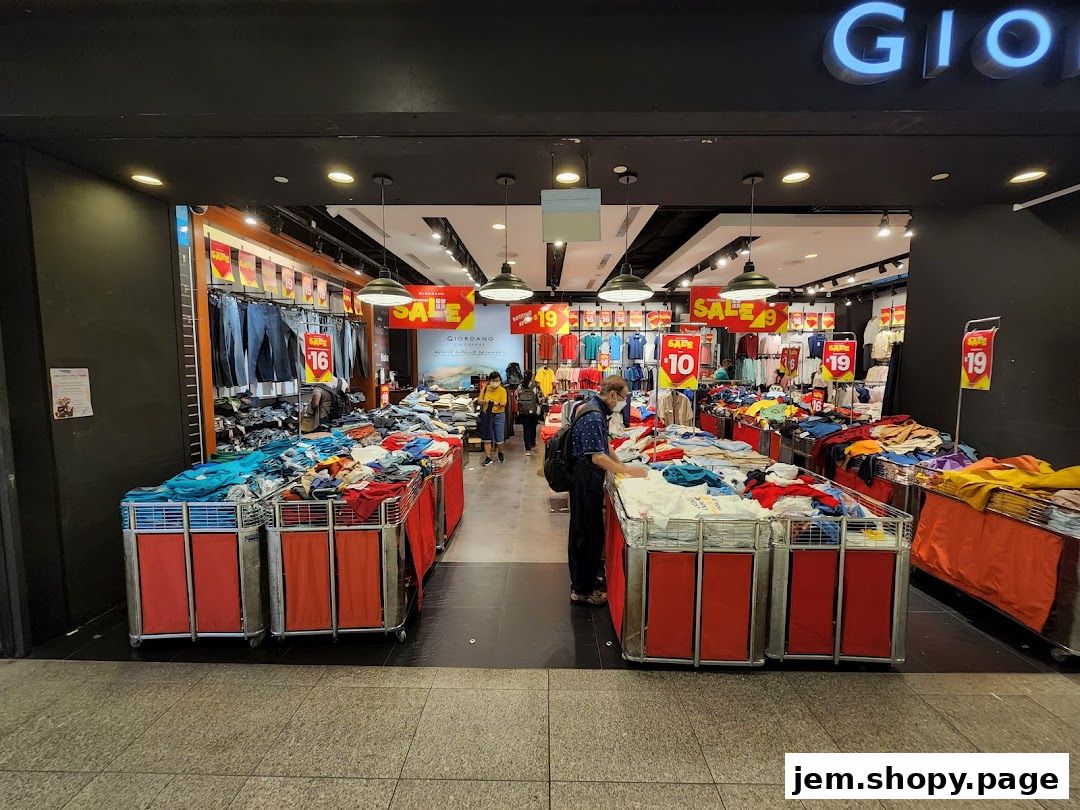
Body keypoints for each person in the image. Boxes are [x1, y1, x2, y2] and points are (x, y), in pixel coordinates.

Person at [568, 375, 647, 607]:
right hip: (585, 480)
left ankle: (588, 581)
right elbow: (598, 457)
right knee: (587, 535)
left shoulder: (594, 409)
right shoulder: (594, 416)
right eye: (623, 397)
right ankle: (583, 591)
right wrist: (628, 472)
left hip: (587, 478)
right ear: (612, 394)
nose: (623, 402)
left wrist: (621, 466)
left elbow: (605, 446)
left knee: (588, 533)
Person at [477, 371, 507, 466]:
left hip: (499, 415)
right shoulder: (486, 388)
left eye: (497, 380)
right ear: (490, 380)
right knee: (487, 438)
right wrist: (484, 399)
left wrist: (494, 403)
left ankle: (500, 452)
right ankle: (488, 457)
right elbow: (479, 401)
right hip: (487, 415)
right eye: (493, 380)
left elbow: (504, 403)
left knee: (499, 437)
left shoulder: (502, 390)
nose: (495, 382)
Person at [516, 370, 543, 457]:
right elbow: (540, 398)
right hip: (533, 411)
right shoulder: (535, 386)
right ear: (532, 376)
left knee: (526, 429)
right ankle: (532, 443)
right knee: (533, 428)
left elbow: (516, 398)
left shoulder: (520, 386)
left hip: (523, 411)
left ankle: (527, 449)